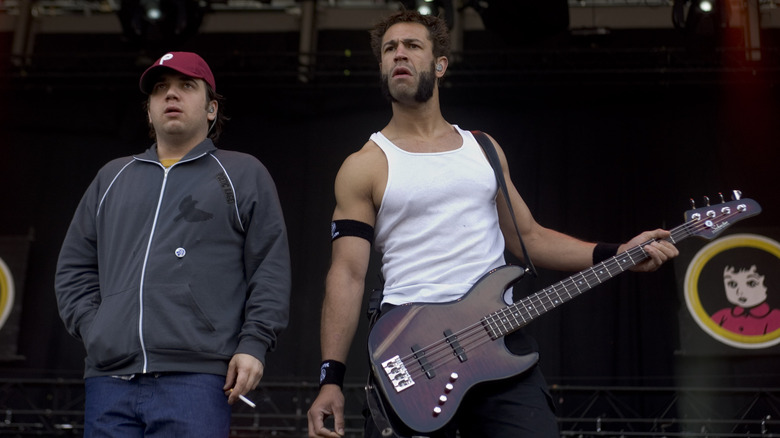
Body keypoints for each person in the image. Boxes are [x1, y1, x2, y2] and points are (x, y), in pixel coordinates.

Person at [306, 10, 679, 438]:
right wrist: (330, 380)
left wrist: (619, 253)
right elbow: (348, 275)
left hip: (498, 340)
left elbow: (530, 238)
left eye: (412, 46)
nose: (399, 54)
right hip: (412, 348)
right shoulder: (364, 165)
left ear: (440, 65)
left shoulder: (482, 149)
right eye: (390, 49)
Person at [54, 51, 291, 437]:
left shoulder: (242, 173)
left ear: (212, 109)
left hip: (196, 378)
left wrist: (254, 343)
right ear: (148, 112)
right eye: (160, 89)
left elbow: (270, 267)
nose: (171, 95)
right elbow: (74, 267)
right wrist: (97, 329)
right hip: (110, 379)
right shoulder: (112, 176)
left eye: (186, 86)